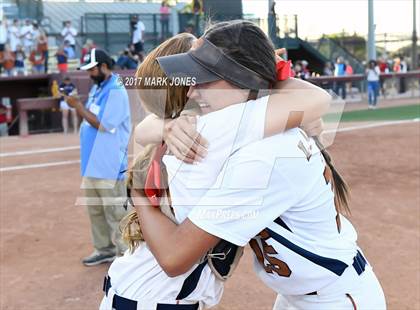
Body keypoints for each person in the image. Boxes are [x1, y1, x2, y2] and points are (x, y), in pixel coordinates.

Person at [132, 20, 385, 309]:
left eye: (203, 78)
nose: (190, 92)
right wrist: (164, 126)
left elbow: (175, 256)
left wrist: (136, 189)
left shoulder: (261, 150)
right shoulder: (259, 124)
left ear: (241, 82)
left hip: (334, 298)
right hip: (305, 292)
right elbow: (152, 123)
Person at [99, 26, 332, 310]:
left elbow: (144, 129)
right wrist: (268, 71)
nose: (195, 87)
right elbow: (317, 100)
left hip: (137, 288)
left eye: (201, 75)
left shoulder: (175, 130)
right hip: (155, 298)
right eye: (193, 77)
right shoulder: (208, 131)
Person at [65, 48, 131, 266]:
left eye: (92, 69)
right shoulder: (99, 87)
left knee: (115, 211)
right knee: (96, 211)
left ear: (104, 66)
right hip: (92, 164)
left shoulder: (116, 90)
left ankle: (126, 255)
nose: (89, 74)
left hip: (109, 164)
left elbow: (103, 125)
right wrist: (79, 104)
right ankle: (104, 249)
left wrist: (78, 106)